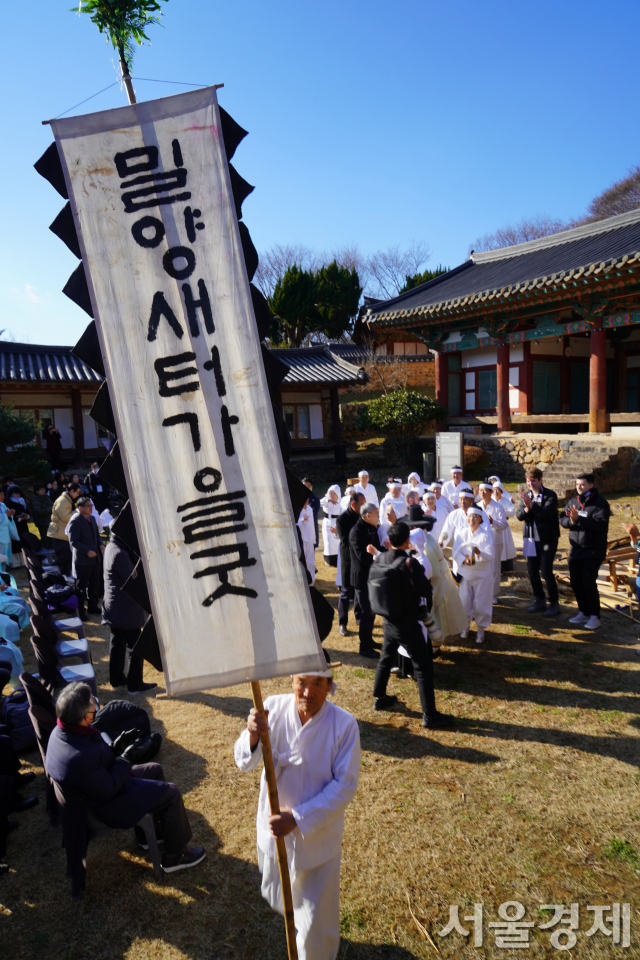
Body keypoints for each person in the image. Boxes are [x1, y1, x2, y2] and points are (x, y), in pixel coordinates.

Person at [235, 671, 360, 960]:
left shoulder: (344, 725)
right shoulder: (273, 709)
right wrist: (253, 733)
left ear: (329, 685)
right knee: (282, 897)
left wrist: (298, 818)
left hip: (317, 838)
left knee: (316, 921)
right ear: (292, 682)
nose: (308, 692)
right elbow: (244, 760)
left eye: (317, 684)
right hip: (275, 833)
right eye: (302, 683)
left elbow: (345, 786)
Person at [46, 682, 205, 873]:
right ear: (82, 716)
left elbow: (94, 764)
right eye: (92, 706)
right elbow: (108, 788)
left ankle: (147, 837)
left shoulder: (62, 732)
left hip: (97, 788)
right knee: (171, 793)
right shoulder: (79, 758)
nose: (95, 708)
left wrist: (116, 747)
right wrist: (126, 758)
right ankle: (175, 856)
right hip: (107, 805)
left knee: (155, 769)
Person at [369, 522, 453, 728]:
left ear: (389, 541)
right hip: (407, 623)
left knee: (386, 658)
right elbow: (426, 589)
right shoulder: (410, 563)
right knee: (423, 667)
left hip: (387, 620)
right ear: (407, 541)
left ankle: (379, 697)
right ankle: (430, 715)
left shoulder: (380, 558)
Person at [103, 530, 156, 694]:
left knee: (117, 643)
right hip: (123, 610)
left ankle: (117, 680)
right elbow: (133, 579)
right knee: (137, 646)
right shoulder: (119, 553)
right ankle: (135, 684)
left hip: (116, 608)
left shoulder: (113, 546)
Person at [560, 473, 611, 630]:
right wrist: (571, 521)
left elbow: (599, 524)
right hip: (576, 549)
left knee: (588, 581)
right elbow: (562, 519)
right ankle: (583, 611)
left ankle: (595, 616)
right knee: (575, 581)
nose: (579, 487)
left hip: (593, 550)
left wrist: (578, 519)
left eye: (582, 484)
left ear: (591, 485)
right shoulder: (573, 501)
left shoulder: (600, 503)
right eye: (577, 484)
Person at [516, 468, 561, 617]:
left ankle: (554, 603)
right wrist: (527, 510)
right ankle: (539, 600)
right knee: (532, 570)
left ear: (540, 480)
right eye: (528, 481)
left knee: (546, 571)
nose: (530, 484)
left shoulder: (550, 495)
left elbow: (547, 514)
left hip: (547, 539)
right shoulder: (526, 496)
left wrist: (532, 505)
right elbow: (519, 515)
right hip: (530, 539)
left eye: (533, 480)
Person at [453, 508, 494, 644]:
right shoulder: (461, 534)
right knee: (464, 601)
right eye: (470, 516)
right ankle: (465, 627)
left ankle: (481, 631)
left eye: (475, 516)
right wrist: (464, 560)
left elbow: (489, 555)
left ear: (481, 519)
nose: (472, 519)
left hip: (481, 575)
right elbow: (455, 552)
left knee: (480, 603)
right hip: (465, 574)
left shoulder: (486, 535)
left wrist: (478, 552)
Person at [349, 503, 381, 659]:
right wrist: (380, 559)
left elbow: (377, 547)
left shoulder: (372, 528)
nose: (378, 516)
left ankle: (369, 640)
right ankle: (364, 646)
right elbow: (363, 557)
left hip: (372, 576)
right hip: (361, 578)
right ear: (368, 515)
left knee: (372, 611)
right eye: (376, 514)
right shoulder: (356, 532)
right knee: (366, 612)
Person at [68, 497, 104, 621]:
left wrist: (101, 544)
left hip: (95, 559)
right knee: (81, 587)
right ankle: (80, 611)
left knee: (95, 584)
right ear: (80, 508)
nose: (90, 508)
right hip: (83, 560)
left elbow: (97, 535)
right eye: (88, 506)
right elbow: (74, 541)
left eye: (91, 505)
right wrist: (87, 551)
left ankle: (93, 606)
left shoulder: (93, 518)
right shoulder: (76, 520)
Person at [335, 492, 365, 637]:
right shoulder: (342, 520)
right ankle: (342, 623)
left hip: (359, 559)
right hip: (348, 560)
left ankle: (358, 617)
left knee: (359, 590)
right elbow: (345, 541)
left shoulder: (363, 517)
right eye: (362, 504)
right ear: (353, 505)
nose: (364, 506)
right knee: (346, 592)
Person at [477, 482, 508, 602]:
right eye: (481, 491)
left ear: (491, 492)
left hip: (494, 541)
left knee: (494, 568)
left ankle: (492, 594)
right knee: (480, 566)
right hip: (479, 541)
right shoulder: (477, 506)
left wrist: (493, 522)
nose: (483, 493)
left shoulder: (498, 507)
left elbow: (504, 525)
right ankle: (480, 592)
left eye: (485, 490)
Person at [48, 482, 82, 576]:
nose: (78, 494)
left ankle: (65, 575)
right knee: (64, 556)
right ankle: (48, 572)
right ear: (71, 491)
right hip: (60, 533)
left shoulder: (68, 500)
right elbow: (66, 518)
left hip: (64, 532)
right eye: (77, 492)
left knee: (69, 555)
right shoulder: (62, 501)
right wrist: (77, 512)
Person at [492, 482, 517, 572]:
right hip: (493, 528)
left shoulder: (506, 501)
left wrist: (502, 511)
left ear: (501, 491)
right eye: (494, 490)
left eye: (498, 490)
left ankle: (505, 568)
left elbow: (512, 512)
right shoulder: (490, 500)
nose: (496, 492)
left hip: (503, 528)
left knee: (504, 547)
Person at [319, 485, 341, 568]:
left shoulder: (340, 501)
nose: (332, 495)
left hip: (337, 522)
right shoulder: (326, 499)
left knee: (337, 541)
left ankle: (337, 559)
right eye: (331, 493)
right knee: (328, 542)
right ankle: (328, 560)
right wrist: (328, 500)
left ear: (337, 494)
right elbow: (318, 503)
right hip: (327, 522)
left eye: (334, 493)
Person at [297, 499, 317, 585]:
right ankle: (301, 581)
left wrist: (313, 538)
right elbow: (295, 525)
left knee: (311, 561)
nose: (307, 501)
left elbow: (312, 525)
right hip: (301, 540)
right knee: (301, 561)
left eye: (308, 499)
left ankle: (311, 581)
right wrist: (301, 520)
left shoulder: (309, 508)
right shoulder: (296, 509)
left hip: (310, 539)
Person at [0, 491, 19, 572]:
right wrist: (6, 515)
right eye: (1, 495)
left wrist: (10, 514)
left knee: (5, 555)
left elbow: (8, 517)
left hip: (5, 534)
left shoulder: (2, 505)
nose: (3, 497)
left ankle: (4, 572)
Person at [30, 483, 53, 548]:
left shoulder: (46, 497)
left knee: (51, 539)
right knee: (45, 540)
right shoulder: (35, 500)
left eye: (43, 489)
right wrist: (51, 509)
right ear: (37, 491)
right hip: (42, 523)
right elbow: (39, 511)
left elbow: (52, 504)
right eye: (41, 490)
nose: (43, 491)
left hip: (49, 521)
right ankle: (44, 556)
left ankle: (50, 555)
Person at [302, 479, 321, 549]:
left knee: (310, 556)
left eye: (308, 486)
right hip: (300, 530)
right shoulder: (296, 499)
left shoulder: (315, 500)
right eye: (304, 486)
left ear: (312, 487)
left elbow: (312, 514)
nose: (306, 488)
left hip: (311, 530)